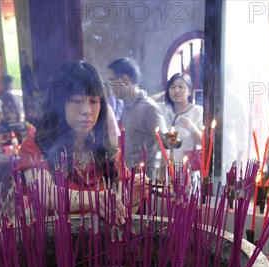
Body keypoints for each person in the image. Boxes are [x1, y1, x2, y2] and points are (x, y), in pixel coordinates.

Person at [18, 60, 145, 224]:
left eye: (93, 101)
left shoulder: (108, 152)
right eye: (77, 101)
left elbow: (118, 215)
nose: (87, 111)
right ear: (59, 103)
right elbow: (45, 193)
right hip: (54, 247)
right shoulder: (34, 148)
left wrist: (134, 197)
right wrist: (93, 199)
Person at [106, 58, 167, 171]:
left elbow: (165, 147)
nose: (110, 87)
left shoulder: (148, 108)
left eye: (111, 81)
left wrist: (161, 182)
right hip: (129, 177)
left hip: (146, 180)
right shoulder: (126, 105)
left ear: (124, 79)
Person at [160, 73, 203, 166]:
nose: (176, 90)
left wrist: (192, 128)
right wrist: (163, 94)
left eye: (180, 87)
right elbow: (146, 101)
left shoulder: (197, 111)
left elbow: (204, 143)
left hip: (187, 168)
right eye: (172, 87)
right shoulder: (164, 109)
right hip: (165, 168)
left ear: (190, 91)